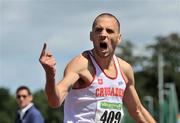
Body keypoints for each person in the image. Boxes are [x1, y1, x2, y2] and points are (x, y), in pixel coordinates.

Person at [39, 13, 156, 123]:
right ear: (91, 36)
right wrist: (50, 76)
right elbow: (55, 101)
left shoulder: (125, 69)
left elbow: (137, 110)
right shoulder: (81, 64)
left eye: (109, 31)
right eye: (98, 30)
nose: (103, 34)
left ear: (119, 38)